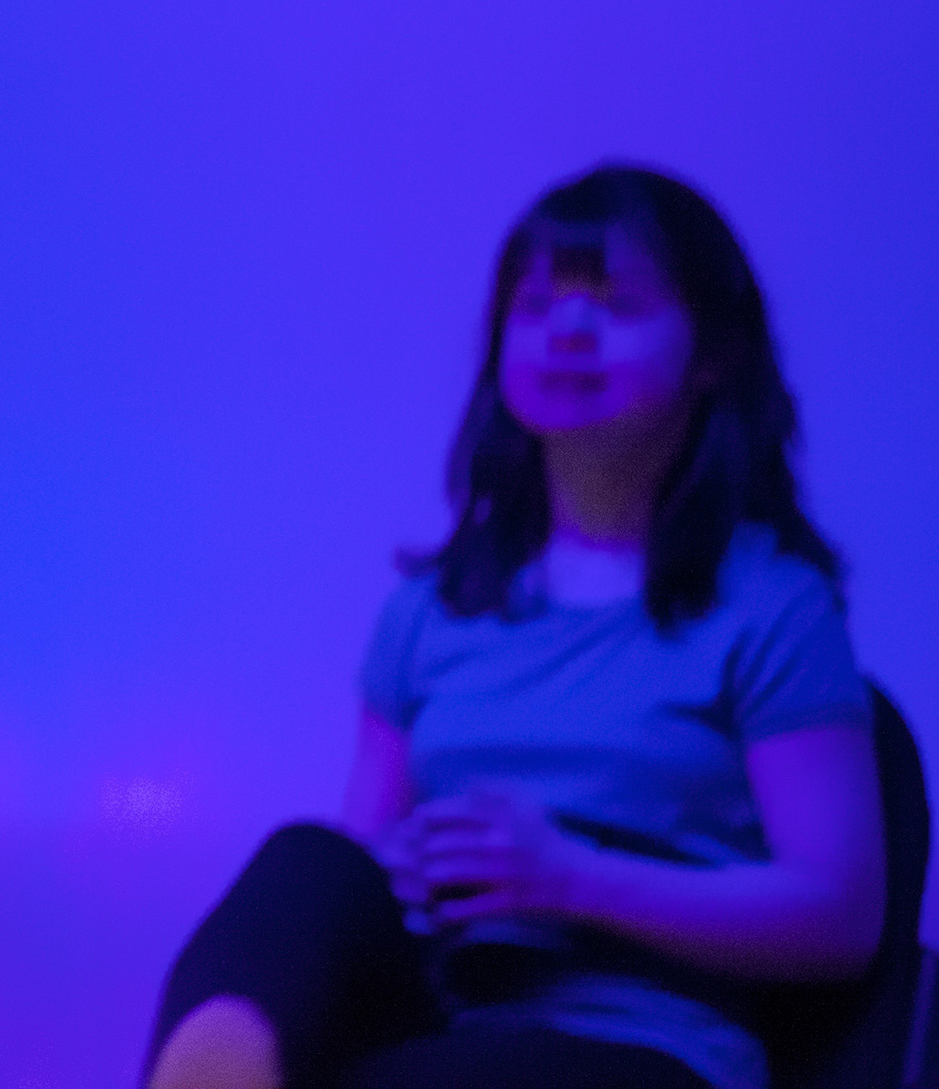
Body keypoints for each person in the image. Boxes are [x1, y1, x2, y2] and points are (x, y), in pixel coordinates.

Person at [144, 165, 884, 1089]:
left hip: (636, 1049)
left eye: (616, 304)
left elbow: (839, 916)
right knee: (311, 863)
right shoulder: (430, 610)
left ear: (710, 356)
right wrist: (400, 870)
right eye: (534, 307)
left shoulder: (771, 607)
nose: (567, 329)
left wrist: (568, 878)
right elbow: (357, 872)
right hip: (438, 1018)